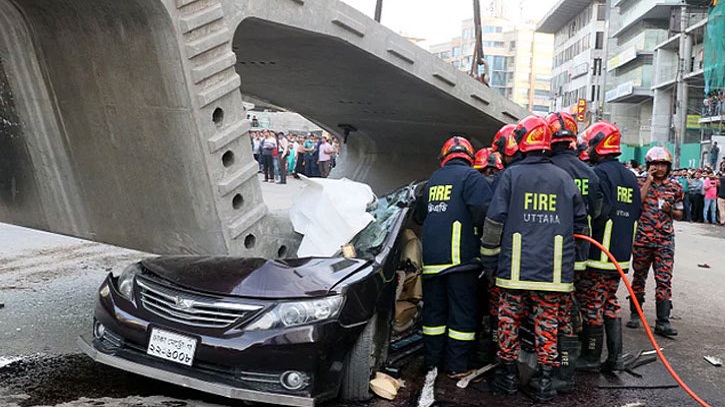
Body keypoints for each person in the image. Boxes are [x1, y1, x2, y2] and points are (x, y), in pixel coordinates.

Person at [481, 115, 588, 402]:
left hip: (513, 271)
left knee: (508, 320)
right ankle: (544, 383)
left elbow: (494, 223)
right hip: (553, 274)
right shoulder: (564, 178)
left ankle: (507, 378)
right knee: (548, 324)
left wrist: (489, 261)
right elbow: (582, 224)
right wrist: (575, 266)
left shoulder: (511, 176)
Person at [416, 135, 493, 380]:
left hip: (432, 262)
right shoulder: (472, 178)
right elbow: (485, 214)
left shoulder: (433, 181)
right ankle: (457, 365)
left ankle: (432, 361)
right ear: (469, 158)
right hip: (461, 262)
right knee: (462, 315)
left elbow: (419, 216)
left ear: (444, 158)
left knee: (434, 315)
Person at [576, 121, 641, 373]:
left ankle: (591, 357)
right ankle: (614, 357)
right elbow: (637, 211)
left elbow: (597, 211)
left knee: (592, 304)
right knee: (609, 302)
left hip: (599, 253)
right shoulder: (629, 176)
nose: (587, 148)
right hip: (620, 256)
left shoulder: (599, 174)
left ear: (598, 145)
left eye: (590, 144)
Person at [545, 112, 603, 389]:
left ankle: (561, 371)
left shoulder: (546, 169)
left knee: (554, 311)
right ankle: (579, 359)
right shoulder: (589, 174)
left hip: (548, 255)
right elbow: (598, 211)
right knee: (576, 304)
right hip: (580, 253)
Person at [628, 146, 683, 337]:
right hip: (643, 239)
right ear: (649, 165)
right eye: (655, 164)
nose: (659, 168)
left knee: (664, 280)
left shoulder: (675, 187)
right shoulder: (639, 182)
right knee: (639, 277)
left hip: (664, 241)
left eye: (663, 164)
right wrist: (648, 182)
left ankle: (663, 321)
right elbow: (636, 204)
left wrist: (670, 210)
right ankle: (636, 314)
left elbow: (680, 214)